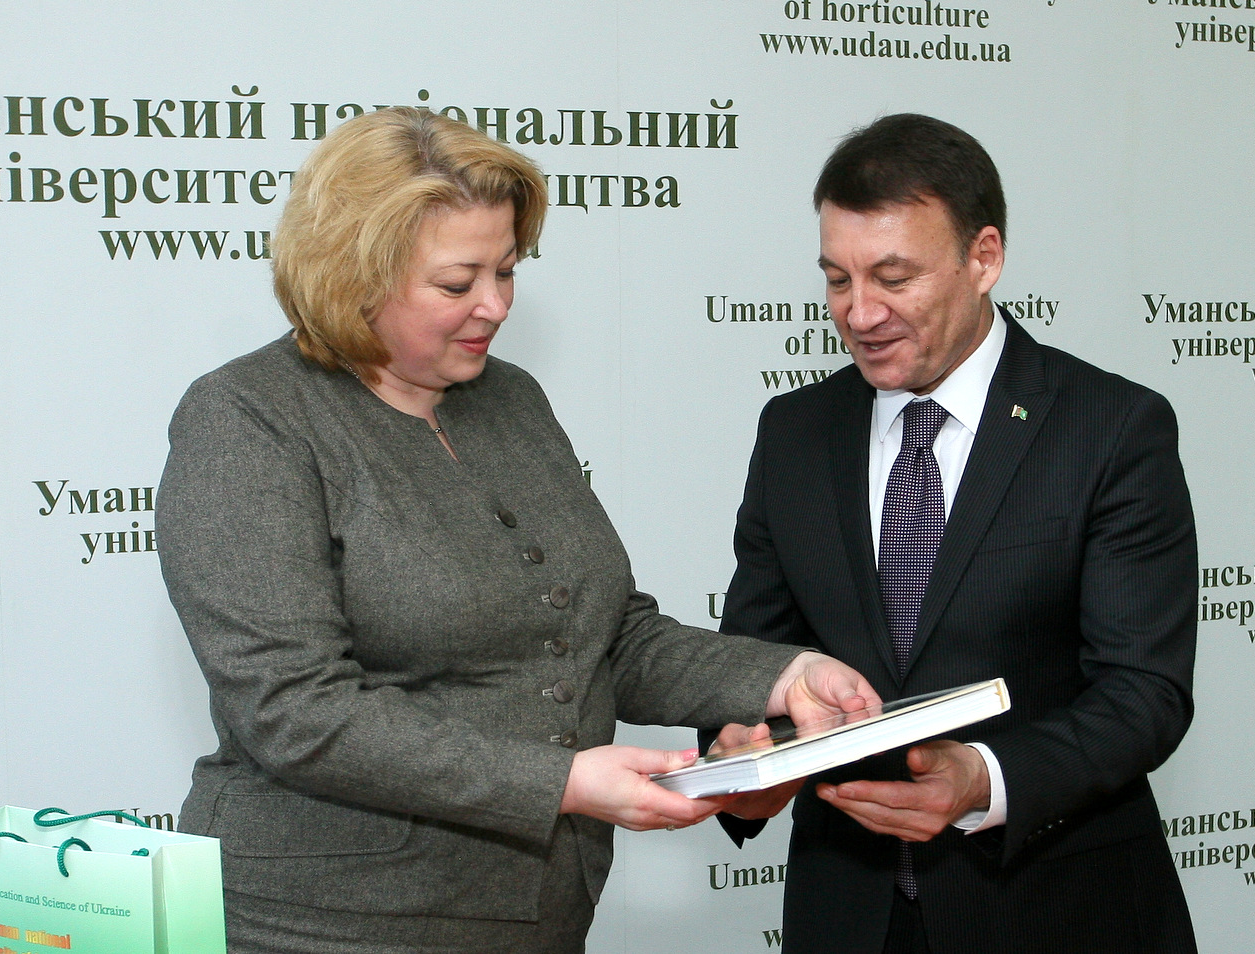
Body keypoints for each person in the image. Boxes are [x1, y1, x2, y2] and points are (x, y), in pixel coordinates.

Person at [155, 107, 879, 954]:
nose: (495, 305)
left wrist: (783, 675)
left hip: (536, 915)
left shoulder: (511, 399)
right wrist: (562, 780)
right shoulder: (247, 420)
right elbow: (291, 710)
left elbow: (604, 639)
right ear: (352, 275)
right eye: (457, 284)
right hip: (321, 925)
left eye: (506, 270)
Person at [710, 114, 1199, 953]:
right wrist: (739, 757)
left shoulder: (1111, 428)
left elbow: (1143, 692)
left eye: (894, 277)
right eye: (837, 279)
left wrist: (985, 779)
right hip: (850, 916)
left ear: (984, 259)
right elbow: (752, 658)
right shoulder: (794, 431)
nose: (860, 313)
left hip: (1056, 912)